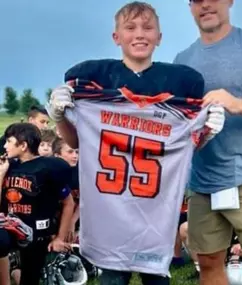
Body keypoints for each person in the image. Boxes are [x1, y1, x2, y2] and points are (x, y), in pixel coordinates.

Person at [46, 2, 225, 284]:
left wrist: (206, 132)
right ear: (116, 37)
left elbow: (183, 148)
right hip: (111, 209)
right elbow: (77, 140)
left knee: (155, 279)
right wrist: (59, 116)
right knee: (114, 279)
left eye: (147, 28)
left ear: (159, 37)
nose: (139, 34)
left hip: (154, 210)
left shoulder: (180, 84)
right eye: (130, 28)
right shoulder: (96, 82)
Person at [173, 0, 242, 284]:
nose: (206, 4)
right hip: (202, 182)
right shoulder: (182, 61)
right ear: (190, 6)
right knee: (209, 262)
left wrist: (237, 104)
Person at [0, 123, 74, 285]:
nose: (5, 145)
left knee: (30, 278)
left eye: (9, 141)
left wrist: (60, 238)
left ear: (23, 145)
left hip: (37, 234)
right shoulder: (7, 165)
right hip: (7, 227)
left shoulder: (49, 167)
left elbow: (68, 203)